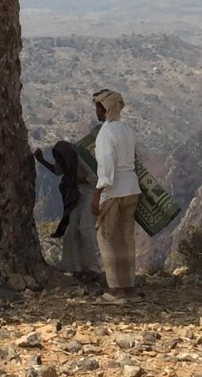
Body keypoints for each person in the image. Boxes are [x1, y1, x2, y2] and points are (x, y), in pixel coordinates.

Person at [90, 88, 140, 302]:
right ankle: (129, 287)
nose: (97, 112)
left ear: (105, 109)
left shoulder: (106, 133)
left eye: (98, 107)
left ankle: (114, 289)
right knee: (126, 238)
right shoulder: (127, 129)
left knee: (106, 237)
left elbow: (107, 168)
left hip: (114, 190)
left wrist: (97, 195)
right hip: (132, 188)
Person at [33, 140, 101, 280]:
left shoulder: (81, 159)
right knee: (71, 231)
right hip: (77, 196)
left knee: (85, 228)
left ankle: (94, 267)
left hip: (90, 194)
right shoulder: (68, 162)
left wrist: (78, 180)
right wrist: (42, 161)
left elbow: (95, 178)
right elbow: (59, 171)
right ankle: (76, 268)